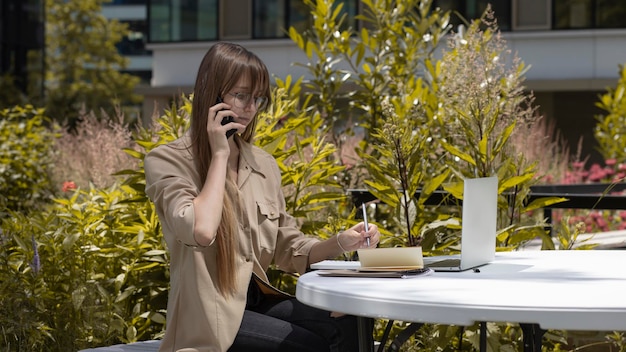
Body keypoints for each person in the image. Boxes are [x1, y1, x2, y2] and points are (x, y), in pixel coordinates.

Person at [144, 42, 380, 352]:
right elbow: (200, 230)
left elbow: (289, 248)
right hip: (209, 316)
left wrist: (340, 242)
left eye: (257, 99)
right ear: (211, 95)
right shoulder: (168, 160)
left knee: (352, 319)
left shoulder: (263, 164)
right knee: (309, 345)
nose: (250, 108)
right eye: (241, 95)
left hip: (255, 303)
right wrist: (219, 154)